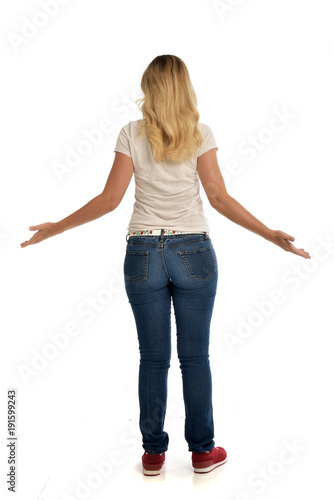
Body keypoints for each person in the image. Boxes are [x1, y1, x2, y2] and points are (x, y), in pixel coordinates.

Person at [20, 54, 311, 476]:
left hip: (142, 255)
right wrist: (270, 234)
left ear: (149, 88)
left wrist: (58, 227)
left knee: (152, 358)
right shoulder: (200, 134)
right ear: (185, 88)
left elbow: (109, 200)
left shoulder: (130, 134)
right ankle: (202, 452)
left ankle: (153, 454)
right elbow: (218, 197)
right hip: (193, 252)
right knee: (195, 357)